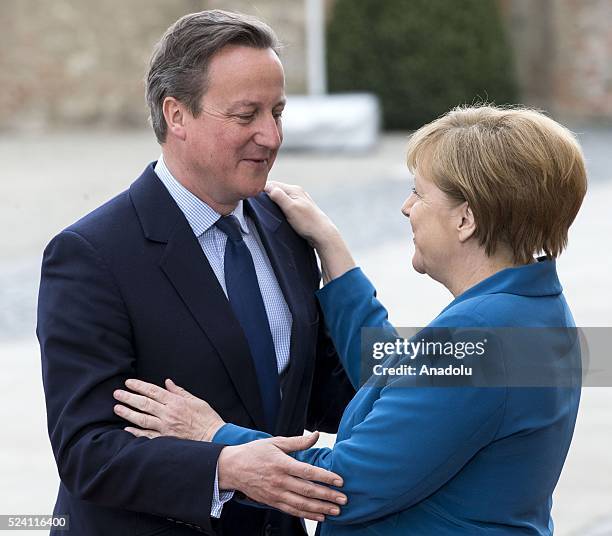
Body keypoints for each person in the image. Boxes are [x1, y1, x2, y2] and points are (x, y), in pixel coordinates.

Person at [114, 105, 587, 535]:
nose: (406, 208)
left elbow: (346, 485)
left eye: (418, 193)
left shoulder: (482, 337)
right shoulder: (534, 310)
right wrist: (331, 247)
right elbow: (401, 382)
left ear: (466, 220)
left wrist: (213, 436)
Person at [37, 10, 354, 536]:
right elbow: (86, 451)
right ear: (176, 115)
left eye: (277, 111)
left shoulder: (288, 229)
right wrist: (227, 466)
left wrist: (474, 363)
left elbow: (323, 388)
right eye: (245, 115)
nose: (271, 136)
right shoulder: (91, 255)